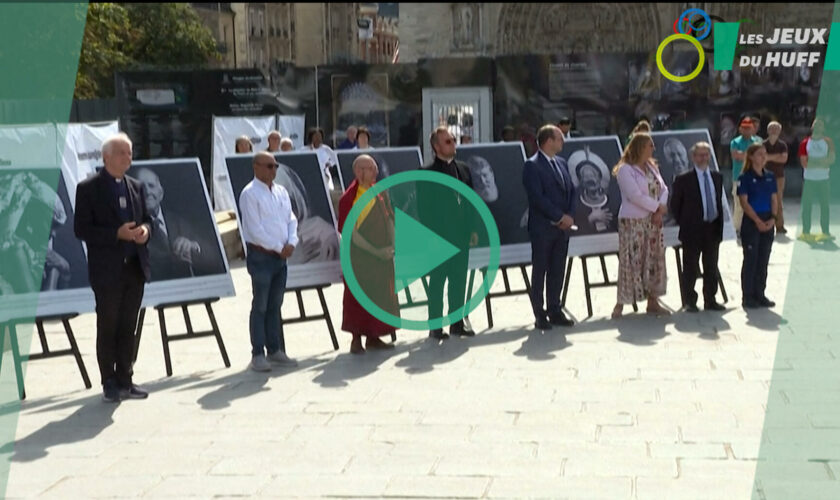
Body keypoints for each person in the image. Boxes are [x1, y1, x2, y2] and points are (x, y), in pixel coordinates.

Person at [74, 133, 151, 402]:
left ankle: (126, 378)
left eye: (129, 153)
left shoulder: (137, 187)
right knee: (108, 325)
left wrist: (144, 230)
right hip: (107, 271)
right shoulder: (88, 188)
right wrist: (116, 234)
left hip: (134, 268)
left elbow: (148, 219)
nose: (127, 158)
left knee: (129, 325)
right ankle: (108, 381)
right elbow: (81, 229)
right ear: (106, 157)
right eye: (121, 153)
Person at [238, 151, 300, 372]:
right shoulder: (250, 194)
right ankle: (257, 353)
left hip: (280, 257)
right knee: (261, 305)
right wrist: (278, 247)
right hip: (262, 256)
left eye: (275, 166)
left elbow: (291, 219)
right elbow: (255, 230)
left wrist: (292, 242)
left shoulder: (281, 192)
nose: (273, 170)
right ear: (256, 167)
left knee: (275, 305)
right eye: (269, 166)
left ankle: (275, 349)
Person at [337, 155, 398, 354]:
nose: (376, 172)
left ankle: (374, 336)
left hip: (382, 255)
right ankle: (356, 339)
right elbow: (351, 233)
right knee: (357, 297)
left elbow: (389, 219)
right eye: (372, 169)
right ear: (359, 172)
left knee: (379, 295)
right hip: (360, 257)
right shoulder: (349, 198)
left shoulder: (379, 193)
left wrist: (392, 246)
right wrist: (375, 251)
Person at [420, 126, 476, 340]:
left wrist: (471, 229)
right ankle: (435, 326)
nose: (453, 144)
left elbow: (470, 201)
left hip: (461, 234)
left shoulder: (464, 169)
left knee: (458, 280)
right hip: (439, 237)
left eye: (453, 140)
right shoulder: (427, 173)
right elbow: (424, 209)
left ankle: (457, 323)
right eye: (448, 141)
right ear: (436, 146)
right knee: (437, 282)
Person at [522, 125, 576, 330]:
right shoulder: (532, 166)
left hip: (562, 229)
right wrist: (558, 216)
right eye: (559, 138)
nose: (563, 141)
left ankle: (555, 308)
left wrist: (569, 215)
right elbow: (537, 197)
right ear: (548, 141)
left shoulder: (561, 163)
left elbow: (572, 189)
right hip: (543, 227)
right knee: (540, 270)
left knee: (557, 270)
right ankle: (539, 313)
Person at [612, 133, 670, 319]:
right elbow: (634, 195)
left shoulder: (651, 167)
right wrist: (656, 208)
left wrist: (660, 210)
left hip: (654, 222)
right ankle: (621, 302)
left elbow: (663, 188)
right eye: (649, 145)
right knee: (631, 259)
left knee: (653, 258)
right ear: (639, 147)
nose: (652, 149)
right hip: (633, 221)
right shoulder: (625, 170)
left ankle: (652, 300)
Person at [669, 142, 726, 312]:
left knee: (711, 266)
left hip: (712, 228)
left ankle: (710, 299)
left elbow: (717, 200)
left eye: (706, 155)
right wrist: (686, 222)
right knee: (691, 267)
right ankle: (690, 301)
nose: (703, 158)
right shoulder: (683, 179)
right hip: (692, 230)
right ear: (693, 157)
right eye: (700, 155)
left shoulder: (717, 177)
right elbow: (675, 206)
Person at [135, 168, 211, 281]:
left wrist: (193, 247)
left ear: (161, 193)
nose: (147, 191)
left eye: (151, 186)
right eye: (141, 188)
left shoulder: (179, 222)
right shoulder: (131, 228)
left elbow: (211, 254)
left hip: (189, 288)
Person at [737, 143, 778, 309]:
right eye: (760, 154)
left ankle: (760, 293)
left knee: (763, 259)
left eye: (765, 154)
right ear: (752, 157)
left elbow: (774, 198)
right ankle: (748, 296)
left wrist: (774, 218)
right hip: (752, 221)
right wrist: (757, 221)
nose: (763, 157)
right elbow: (744, 202)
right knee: (751, 260)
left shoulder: (770, 176)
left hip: (768, 219)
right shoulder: (745, 178)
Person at [798, 118, 835, 242]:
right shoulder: (805, 143)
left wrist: (813, 161)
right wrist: (821, 162)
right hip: (809, 179)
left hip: (824, 179)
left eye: (821, 125)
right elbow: (804, 163)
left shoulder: (828, 142)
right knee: (807, 206)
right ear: (812, 127)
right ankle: (806, 231)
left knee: (825, 206)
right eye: (816, 124)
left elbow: (831, 160)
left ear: (823, 128)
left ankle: (825, 231)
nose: (818, 127)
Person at [567, 147, 614, 234]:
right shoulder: (574, 203)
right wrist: (589, 219)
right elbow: (571, 227)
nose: (590, 179)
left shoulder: (613, 201)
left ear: (600, 178)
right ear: (580, 180)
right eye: (585, 177)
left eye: (593, 176)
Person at [730, 117, 763, 235]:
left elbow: (761, 157)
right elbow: (736, 156)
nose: (747, 131)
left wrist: (746, 155)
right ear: (740, 129)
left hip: (756, 177)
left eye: (749, 128)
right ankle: (738, 229)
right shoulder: (735, 142)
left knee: (755, 202)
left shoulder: (758, 141)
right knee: (739, 204)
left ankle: (754, 225)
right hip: (739, 177)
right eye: (744, 128)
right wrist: (753, 155)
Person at [763, 121, 789, 234]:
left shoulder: (782, 145)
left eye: (776, 129)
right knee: (764, 200)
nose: (774, 131)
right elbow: (761, 159)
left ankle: (779, 226)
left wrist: (769, 157)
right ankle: (765, 225)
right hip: (764, 176)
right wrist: (776, 156)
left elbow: (783, 159)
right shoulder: (762, 144)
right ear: (768, 131)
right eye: (771, 129)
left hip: (779, 177)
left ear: (779, 131)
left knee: (778, 201)